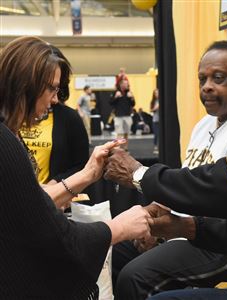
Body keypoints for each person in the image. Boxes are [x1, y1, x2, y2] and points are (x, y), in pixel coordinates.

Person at [104, 30, 227, 300]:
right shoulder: (205, 125)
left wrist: (139, 174)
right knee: (114, 252)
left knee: (139, 276)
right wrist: (176, 224)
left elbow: (221, 188)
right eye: (201, 79)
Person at [0, 36, 151, 299]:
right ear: (26, 85)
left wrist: (87, 175)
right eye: (51, 89)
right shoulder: (5, 141)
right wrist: (120, 227)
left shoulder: (10, 135)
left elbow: (30, 204)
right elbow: (52, 233)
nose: (56, 99)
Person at [19, 46, 90, 202]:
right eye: (51, 88)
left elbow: (80, 164)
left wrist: (55, 186)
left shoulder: (69, 118)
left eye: (56, 89)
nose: (55, 98)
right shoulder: (9, 124)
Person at [110, 78, 135, 150]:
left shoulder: (129, 92)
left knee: (126, 133)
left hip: (127, 115)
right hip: (118, 116)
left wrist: (131, 98)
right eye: (125, 84)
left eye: (127, 84)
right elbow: (111, 103)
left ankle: (125, 148)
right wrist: (116, 97)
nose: (127, 85)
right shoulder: (116, 92)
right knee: (119, 132)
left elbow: (133, 104)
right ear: (121, 84)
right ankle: (118, 148)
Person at [150, 88, 159, 154]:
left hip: (161, 120)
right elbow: (151, 110)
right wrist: (155, 108)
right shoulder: (153, 101)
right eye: (155, 93)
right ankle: (155, 146)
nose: (157, 94)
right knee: (156, 134)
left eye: (158, 93)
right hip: (155, 120)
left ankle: (160, 147)